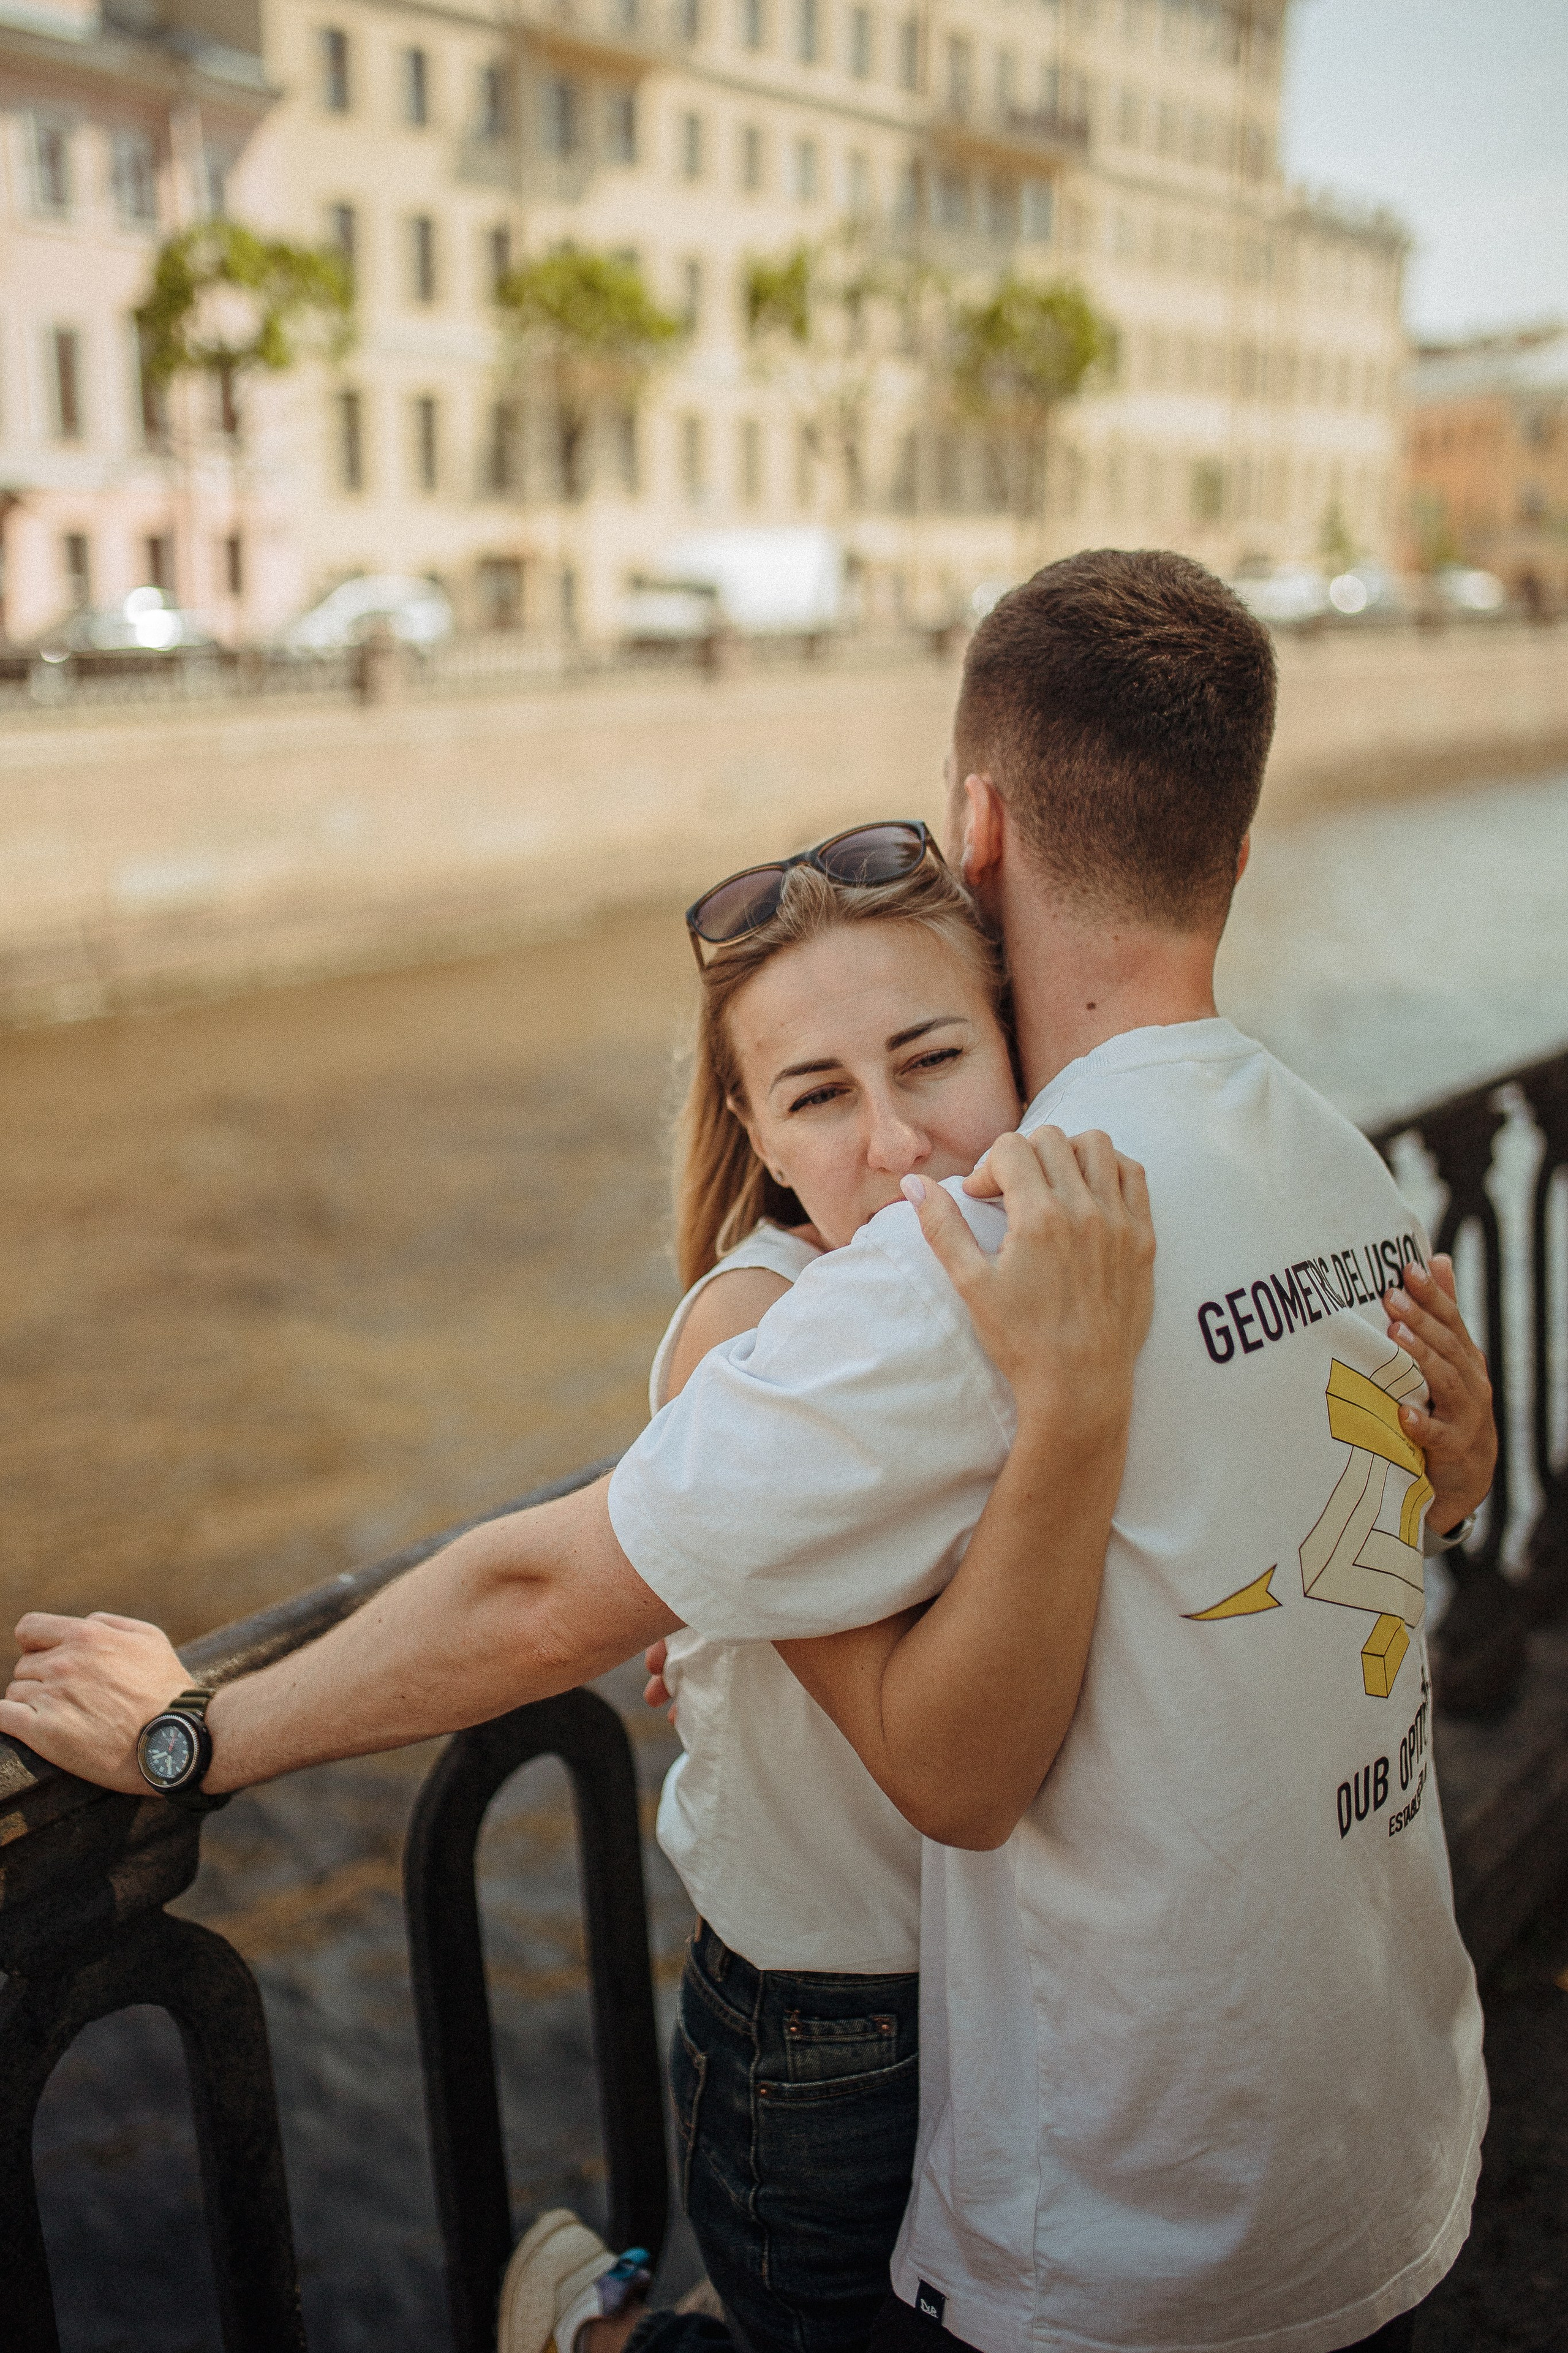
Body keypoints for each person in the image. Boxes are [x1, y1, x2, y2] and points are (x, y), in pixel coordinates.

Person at [3, 551, 1498, 2353]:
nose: (891, 1143)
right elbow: (1341, 1490)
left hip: (1164, 2199)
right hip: (1386, 2135)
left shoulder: (1002, 1246)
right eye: (818, 1097)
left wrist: (194, 1730)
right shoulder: (1327, 1153)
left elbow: (558, 1587)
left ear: (983, 826)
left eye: (924, 1057)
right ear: (1238, 854)